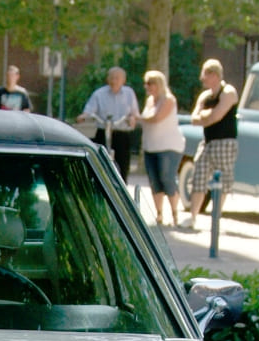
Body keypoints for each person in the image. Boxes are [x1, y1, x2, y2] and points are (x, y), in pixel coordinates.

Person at [184, 58, 238, 229]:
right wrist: (208, 115)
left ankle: (217, 217)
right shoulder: (205, 96)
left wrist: (205, 116)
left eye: (205, 75)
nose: (202, 79)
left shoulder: (228, 92)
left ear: (214, 75)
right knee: (198, 177)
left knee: (223, 179)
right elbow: (194, 119)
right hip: (207, 142)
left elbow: (218, 116)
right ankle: (192, 217)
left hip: (225, 142)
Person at [139, 69, 185, 226]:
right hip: (151, 146)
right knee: (154, 180)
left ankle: (175, 214)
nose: (148, 87)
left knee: (167, 177)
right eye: (146, 83)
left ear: (158, 84)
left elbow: (157, 118)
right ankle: (159, 214)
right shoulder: (149, 101)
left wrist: (139, 118)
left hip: (168, 146)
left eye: (151, 83)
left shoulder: (169, 100)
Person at [78, 67, 140, 181]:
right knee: (98, 162)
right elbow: (89, 110)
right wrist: (84, 116)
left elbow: (135, 113)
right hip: (103, 131)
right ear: (107, 79)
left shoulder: (129, 93)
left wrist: (132, 118)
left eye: (117, 78)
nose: (114, 81)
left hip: (121, 133)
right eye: (111, 78)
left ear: (123, 80)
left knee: (123, 166)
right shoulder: (99, 94)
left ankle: (121, 191)